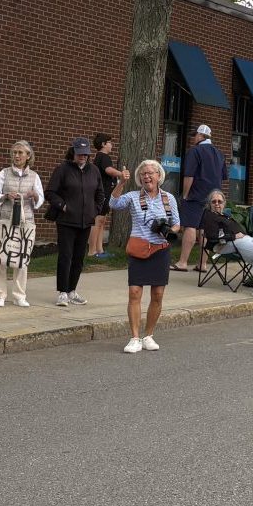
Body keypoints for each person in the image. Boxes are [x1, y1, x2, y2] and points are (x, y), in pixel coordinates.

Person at [108, 159, 180, 353]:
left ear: (159, 176)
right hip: (139, 249)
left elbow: (177, 223)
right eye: (143, 174)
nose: (147, 176)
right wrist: (121, 183)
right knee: (134, 293)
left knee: (157, 294)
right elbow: (113, 203)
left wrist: (169, 231)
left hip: (160, 250)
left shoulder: (169, 198)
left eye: (150, 173)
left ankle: (148, 335)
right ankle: (134, 338)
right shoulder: (132, 197)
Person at [45, 137, 105, 307]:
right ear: (73, 152)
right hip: (66, 221)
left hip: (86, 222)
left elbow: (100, 193)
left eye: (85, 154)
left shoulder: (94, 171)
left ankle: (72, 290)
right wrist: (62, 206)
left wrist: (95, 210)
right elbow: (50, 192)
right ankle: (62, 292)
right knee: (66, 256)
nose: (83, 157)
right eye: (80, 154)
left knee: (79, 258)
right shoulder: (62, 169)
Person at [200, 191, 253, 299]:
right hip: (223, 244)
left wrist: (242, 235)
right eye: (214, 202)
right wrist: (233, 236)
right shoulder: (209, 216)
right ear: (210, 203)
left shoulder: (225, 215)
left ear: (224, 203)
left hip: (243, 239)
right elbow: (212, 235)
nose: (217, 204)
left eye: (219, 201)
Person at [0, 140, 44, 308]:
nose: (17, 156)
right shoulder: (4, 173)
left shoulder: (34, 176)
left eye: (21, 153)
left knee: (22, 258)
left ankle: (19, 295)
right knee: (0, 258)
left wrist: (34, 195)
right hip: (3, 221)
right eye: (15, 153)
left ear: (28, 156)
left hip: (25, 223)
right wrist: (6, 195)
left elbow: (40, 200)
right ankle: (0, 294)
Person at [173, 125, 226, 272]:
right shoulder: (220, 154)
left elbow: (189, 175)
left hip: (196, 195)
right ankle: (202, 264)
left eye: (194, 135)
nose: (193, 138)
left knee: (190, 226)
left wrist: (185, 195)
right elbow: (223, 176)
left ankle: (183, 262)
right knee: (204, 229)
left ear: (201, 136)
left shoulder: (194, 151)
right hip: (213, 196)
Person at [88, 133, 122, 258]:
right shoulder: (103, 156)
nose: (111, 145)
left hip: (105, 193)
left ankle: (100, 249)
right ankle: (92, 251)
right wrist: (121, 174)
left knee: (102, 221)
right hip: (101, 194)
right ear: (103, 144)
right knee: (98, 221)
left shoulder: (100, 156)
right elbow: (108, 170)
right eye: (109, 142)